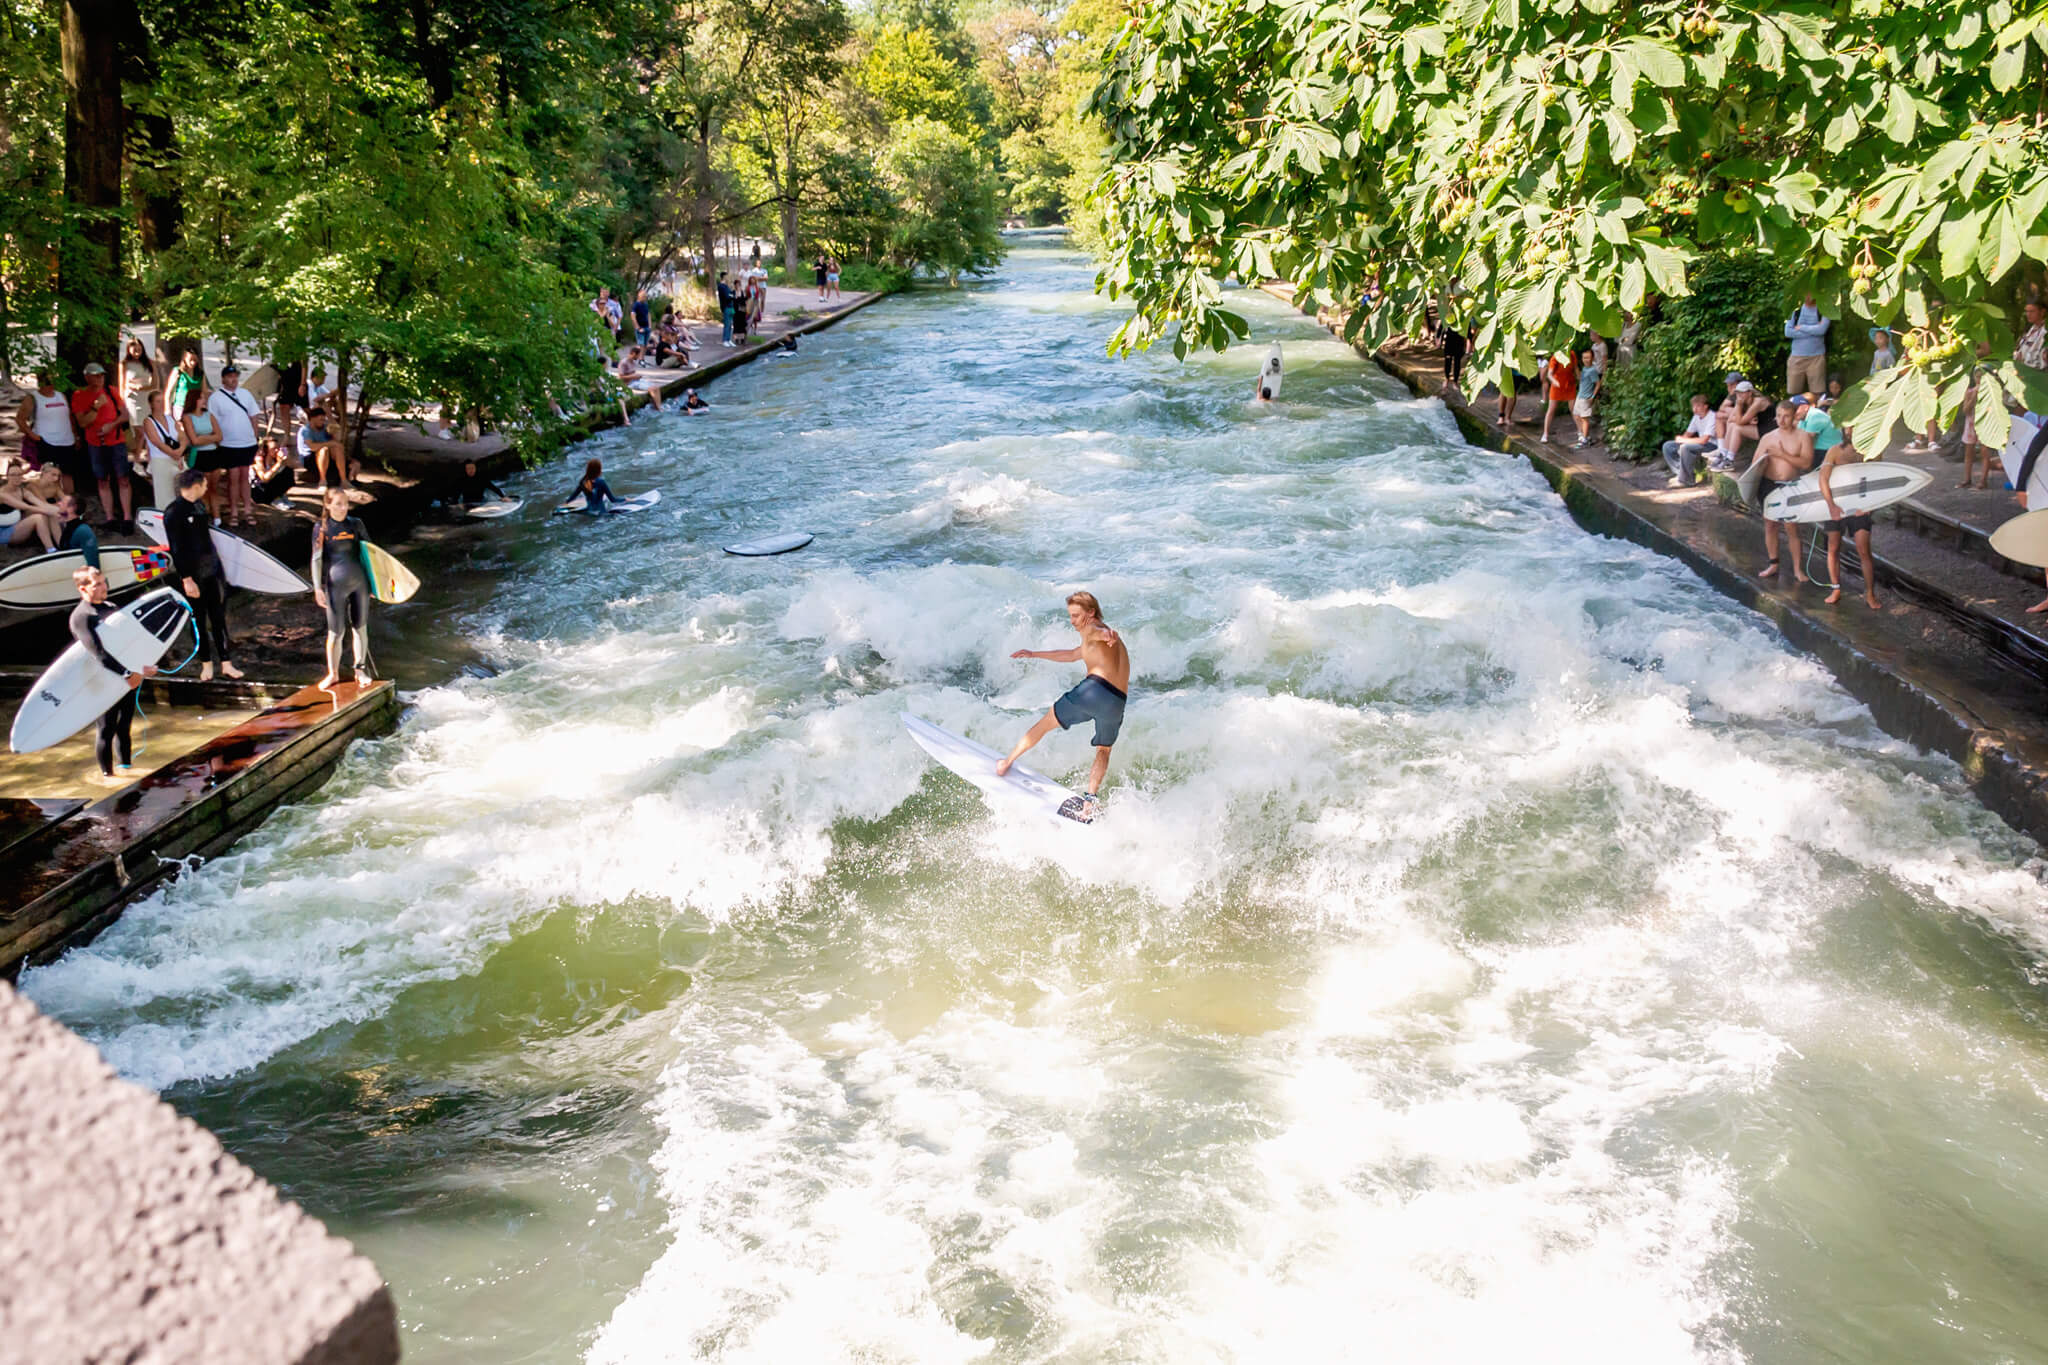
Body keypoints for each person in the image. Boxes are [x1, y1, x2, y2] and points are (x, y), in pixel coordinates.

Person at [995, 591, 1131, 823]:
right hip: (1117, 701)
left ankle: (1006, 763)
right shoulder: (1105, 645)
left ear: (1091, 613)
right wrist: (1033, 653)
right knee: (1103, 749)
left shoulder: (1093, 629)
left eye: (1076, 615)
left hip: (1094, 690)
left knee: (1046, 723)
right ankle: (1089, 801)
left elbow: (1099, 633)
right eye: (1071, 616)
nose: (1073, 621)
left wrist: (1107, 633)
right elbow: (1070, 654)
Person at [70, 566, 157, 784]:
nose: (103, 588)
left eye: (104, 582)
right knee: (106, 729)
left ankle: (126, 770)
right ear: (83, 589)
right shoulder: (81, 616)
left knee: (125, 726)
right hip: (102, 679)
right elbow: (97, 652)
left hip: (125, 676)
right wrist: (127, 673)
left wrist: (144, 666)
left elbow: (127, 644)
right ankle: (108, 779)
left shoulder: (111, 607)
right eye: (97, 584)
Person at [164, 468, 243, 681]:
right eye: (205, 484)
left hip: (210, 570)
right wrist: (186, 578)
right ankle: (206, 663)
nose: (207, 488)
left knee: (218, 617)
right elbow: (176, 548)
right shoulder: (173, 512)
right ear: (196, 486)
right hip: (192, 575)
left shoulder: (199, 506)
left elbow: (207, 539)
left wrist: (220, 568)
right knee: (198, 619)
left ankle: (226, 662)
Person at [310, 485, 374, 688]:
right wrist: (317, 588)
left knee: (360, 628)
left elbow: (371, 554)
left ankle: (360, 670)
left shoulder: (356, 524)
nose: (343, 508)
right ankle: (333, 673)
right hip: (335, 585)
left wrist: (375, 584)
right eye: (338, 504)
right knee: (335, 632)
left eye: (346, 504)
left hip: (360, 583)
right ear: (328, 505)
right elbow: (316, 560)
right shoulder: (321, 528)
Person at [1814, 430, 1882, 610]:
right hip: (1837, 504)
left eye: (1855, 425)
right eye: (1848, 426)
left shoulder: (1873, 451)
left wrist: (1870, 506)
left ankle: (1869, 593)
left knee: (1863, 550)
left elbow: (1880, 479)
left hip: (1860, 506)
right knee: (1833, 548)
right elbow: (1823, 479)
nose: (1851, 430)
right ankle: (1836, 589)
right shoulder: (1835, 451)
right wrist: (1831, 506)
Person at [1752, 400, 1814, 583]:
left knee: (1792, 528)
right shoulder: (1768, 437)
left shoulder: (1803, 436)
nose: (1781, 420)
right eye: (1779, 415)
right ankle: (1773, 563)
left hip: (1790, 485)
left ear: (1794, 416)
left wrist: (1781, 454)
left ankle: (1797, 569)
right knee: (1770, 525)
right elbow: (1754, 465)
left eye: (1786, 416)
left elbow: (1806, 463)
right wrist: (1764, 461)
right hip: (1768, 484)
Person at [72, 362, 129, 529]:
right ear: (87, 377)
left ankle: (127, 517)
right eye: (96, 375)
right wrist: (96, 406)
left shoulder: (112, 391)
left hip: (116, 441)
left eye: (102, 375)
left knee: (123, 478)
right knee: (102, 480)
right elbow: (82, 423)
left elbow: (125, 415)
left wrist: (112, 425)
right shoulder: (79, 395)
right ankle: (110, 517)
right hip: (95, 443)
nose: (100, 379)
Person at [208, 363, 261, 527]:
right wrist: (218, 440)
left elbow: (254, 416)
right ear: (223, 379)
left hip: (247, 443)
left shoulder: (245, 394)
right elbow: (212, 419)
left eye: (235, 376)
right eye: (230, 377)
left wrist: (255, 435)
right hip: (229, 444)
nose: (233, 379)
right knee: (233, 477)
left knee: (245, 476)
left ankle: (247, 510)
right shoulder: (216, 398)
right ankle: (234, 512)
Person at [18, 369, 78, 483]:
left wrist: (75, 435)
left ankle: (68, 499)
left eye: (51, 382)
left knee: (68, 473)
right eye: (46, 382)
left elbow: (69, 416)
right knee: (49, 474)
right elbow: (20, 419)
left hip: (67, 441)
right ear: (40, 383)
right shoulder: (32, 398)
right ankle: (49, 499)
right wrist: (33, 435)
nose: (50, 385)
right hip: (46, 442)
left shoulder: (61, 396)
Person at [178, 384, 224, 518]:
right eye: (201, 398)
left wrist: (203, 437)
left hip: (214, 454)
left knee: (214, 488)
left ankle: (217, 517)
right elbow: (195, 441)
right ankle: (203, 517)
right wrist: (210, 438)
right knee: (202, 489)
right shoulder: (187, 417)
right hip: (199, 456)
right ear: (194, 400)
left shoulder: (209, 415)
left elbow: (219, 436)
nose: (204, 400)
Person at [139, 388, 188, 508]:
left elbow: (182, 436)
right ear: (151, 404)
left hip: (177, 458)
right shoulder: (148, 421)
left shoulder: (170, 419)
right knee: (164, 496)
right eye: (157, 401)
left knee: (183, 492)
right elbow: (156, 441)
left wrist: (181, 450)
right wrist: (173, 453)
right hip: (161, 460)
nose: (161, 405)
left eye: (162, 401)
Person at [1662, 394, 1718, 486]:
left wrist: (1684, 441)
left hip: (1711, 446)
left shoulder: (1712, 416)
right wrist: (1681, 440)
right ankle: (1681, 474)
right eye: (1693, 406)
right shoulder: (1696, 417)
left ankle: (1686, 480)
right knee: (1668, 446)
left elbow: (1704, 440)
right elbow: (1688, 434)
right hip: (1701, 444)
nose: (1695, 409)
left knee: (1686, 447)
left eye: (1698, 406)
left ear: (1705, 406)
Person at [0, 464, 61, 549]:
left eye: (19, 474)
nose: (16, 477)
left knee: (49, 513)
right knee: (38, 516)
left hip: (17, 523)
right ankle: (50, 549)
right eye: (13, 474)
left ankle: (61, 544)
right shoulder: (2, 494)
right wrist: (52, 511)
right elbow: (26, 507)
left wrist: (60, 510)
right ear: (7, 477)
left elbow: (41, 504)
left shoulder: (22, 491)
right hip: (4, 532)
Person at [1785, 295, 1831, 398]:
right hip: (1796, 357)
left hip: (1817, 357)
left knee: (1818, 392)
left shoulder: (1824, 309)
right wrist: (1814, 330)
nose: (1809, 295)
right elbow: (1788, 332)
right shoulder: (1796, 310)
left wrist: (1801, 327)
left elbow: (1822, 330)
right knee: (1793, 391)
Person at [118, 339, 156, 459]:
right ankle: (137, 459)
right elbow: (122, 385)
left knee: (149, 431)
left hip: (146, 400)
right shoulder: (124, 364)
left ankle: (147, 458)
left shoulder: (150, 363)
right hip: (132, 401)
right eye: (134, 349)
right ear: (128, 350)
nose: (137, 352)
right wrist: (121, 403)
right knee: (139, 431)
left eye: (139, 349)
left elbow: (155, 384)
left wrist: (142, 388)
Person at [1716, 378, 1767, 467]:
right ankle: (1724, 454)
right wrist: (1746, 419)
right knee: (1732, 425)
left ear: (1750, 393)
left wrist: (1739, 406)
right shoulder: (1741, 400)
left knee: (1737, 428)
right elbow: (1730, 419)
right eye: (1738, 392)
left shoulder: (1758, 401)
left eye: (1742, 392)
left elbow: (1740, 422)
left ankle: (1730, 460)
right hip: (1756, 426)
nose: (1739, 395)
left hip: (1767, 429)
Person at [297, 404, 348, 491]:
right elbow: (312, 447)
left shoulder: (324, 428)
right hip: (309, 457)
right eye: (321, 419)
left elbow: (338, 437)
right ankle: (322, 481)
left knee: (337, 449)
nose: (323, 422)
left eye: (324, 420)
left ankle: (344, 480)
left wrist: (330, 416)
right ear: (312, 419)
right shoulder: (306, 430)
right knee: (324, 450)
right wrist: (330, 443)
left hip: (326, 457)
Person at [1539, 350, 1577, 444]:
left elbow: (1576, 368)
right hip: (1557, 386)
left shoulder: (1572, 354)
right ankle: (1545, 434)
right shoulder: (1556, 356)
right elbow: (1549, 374)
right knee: (1551, 410)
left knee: (1574, 410)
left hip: (1569, 384)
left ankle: (1581, 433)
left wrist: (1581, 379)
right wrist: (1554, 381)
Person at [1571, 346, 1602, 448]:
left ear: (1592, 358)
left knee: (1585, 419)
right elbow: (1582, 380)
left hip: (1586, 398)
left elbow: (1598, 383)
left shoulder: (1592, 370)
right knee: (1576, 415)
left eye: (1588, 358)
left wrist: (1592, 396)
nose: (1586, 360)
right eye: (1584, 358)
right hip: (1580, 396)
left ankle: (1584, 440)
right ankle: (1585, 436)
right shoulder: (1584, 368)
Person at [716, 272, 736, 346]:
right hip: (726, 307)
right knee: (727, 324)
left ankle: (728, 339)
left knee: (730, 324)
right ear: (724, 277)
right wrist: (731, 295)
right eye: (727, 277)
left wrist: (732, 294)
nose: (729, 278)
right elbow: (727, 296)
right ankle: (725, 340)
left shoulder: (727, 286)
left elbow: (732, 294)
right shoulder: (721, 286)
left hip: (731, 306)